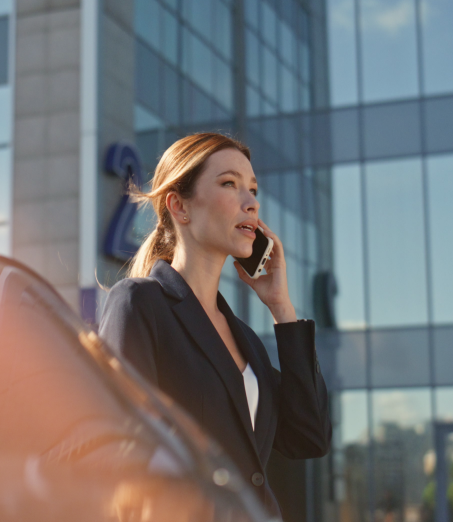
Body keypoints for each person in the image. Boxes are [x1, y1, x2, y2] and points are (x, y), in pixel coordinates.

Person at [97, 132, 332, 516]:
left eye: (253, 189)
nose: (251, 202)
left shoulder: (246, 342)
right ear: (179, 206)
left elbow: (309, 438)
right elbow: (120, 450)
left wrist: (282, 308)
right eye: (230, 184)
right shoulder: (140, 304)